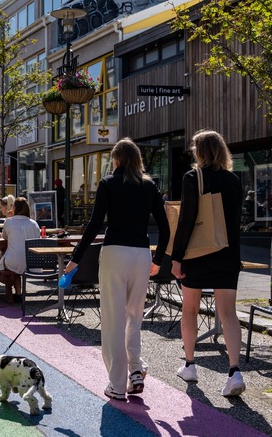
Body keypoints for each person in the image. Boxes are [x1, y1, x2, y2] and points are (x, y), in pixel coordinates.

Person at [63, 138, 170, 401]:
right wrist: (158, 260)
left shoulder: (108, 184)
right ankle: (135, 370)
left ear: (117, 159)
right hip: (141, 255)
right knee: (134, 316)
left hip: (114, 253)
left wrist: (75, 258)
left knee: (113, 319)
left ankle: (117, 384)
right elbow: (166, 228)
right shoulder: (150, 186)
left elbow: (94, 223)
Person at [170, 130, 245, 397]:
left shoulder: (193, 178)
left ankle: (190, 365)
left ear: (199, 152)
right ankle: (235, 371)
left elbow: (187, 220)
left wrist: (176, 257)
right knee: (228, 314)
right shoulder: (234, 180)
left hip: (197, 255)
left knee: (189, 309)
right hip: (227, 255)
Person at [0, 198, 40, 301]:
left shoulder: (9, 222)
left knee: (13, 263)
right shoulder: (34, 224)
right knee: (18, 264)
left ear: (14, 208)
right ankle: (19, 293)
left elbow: (4, 237)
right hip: (32, 261)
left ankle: (16, 293)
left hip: (14, 261)